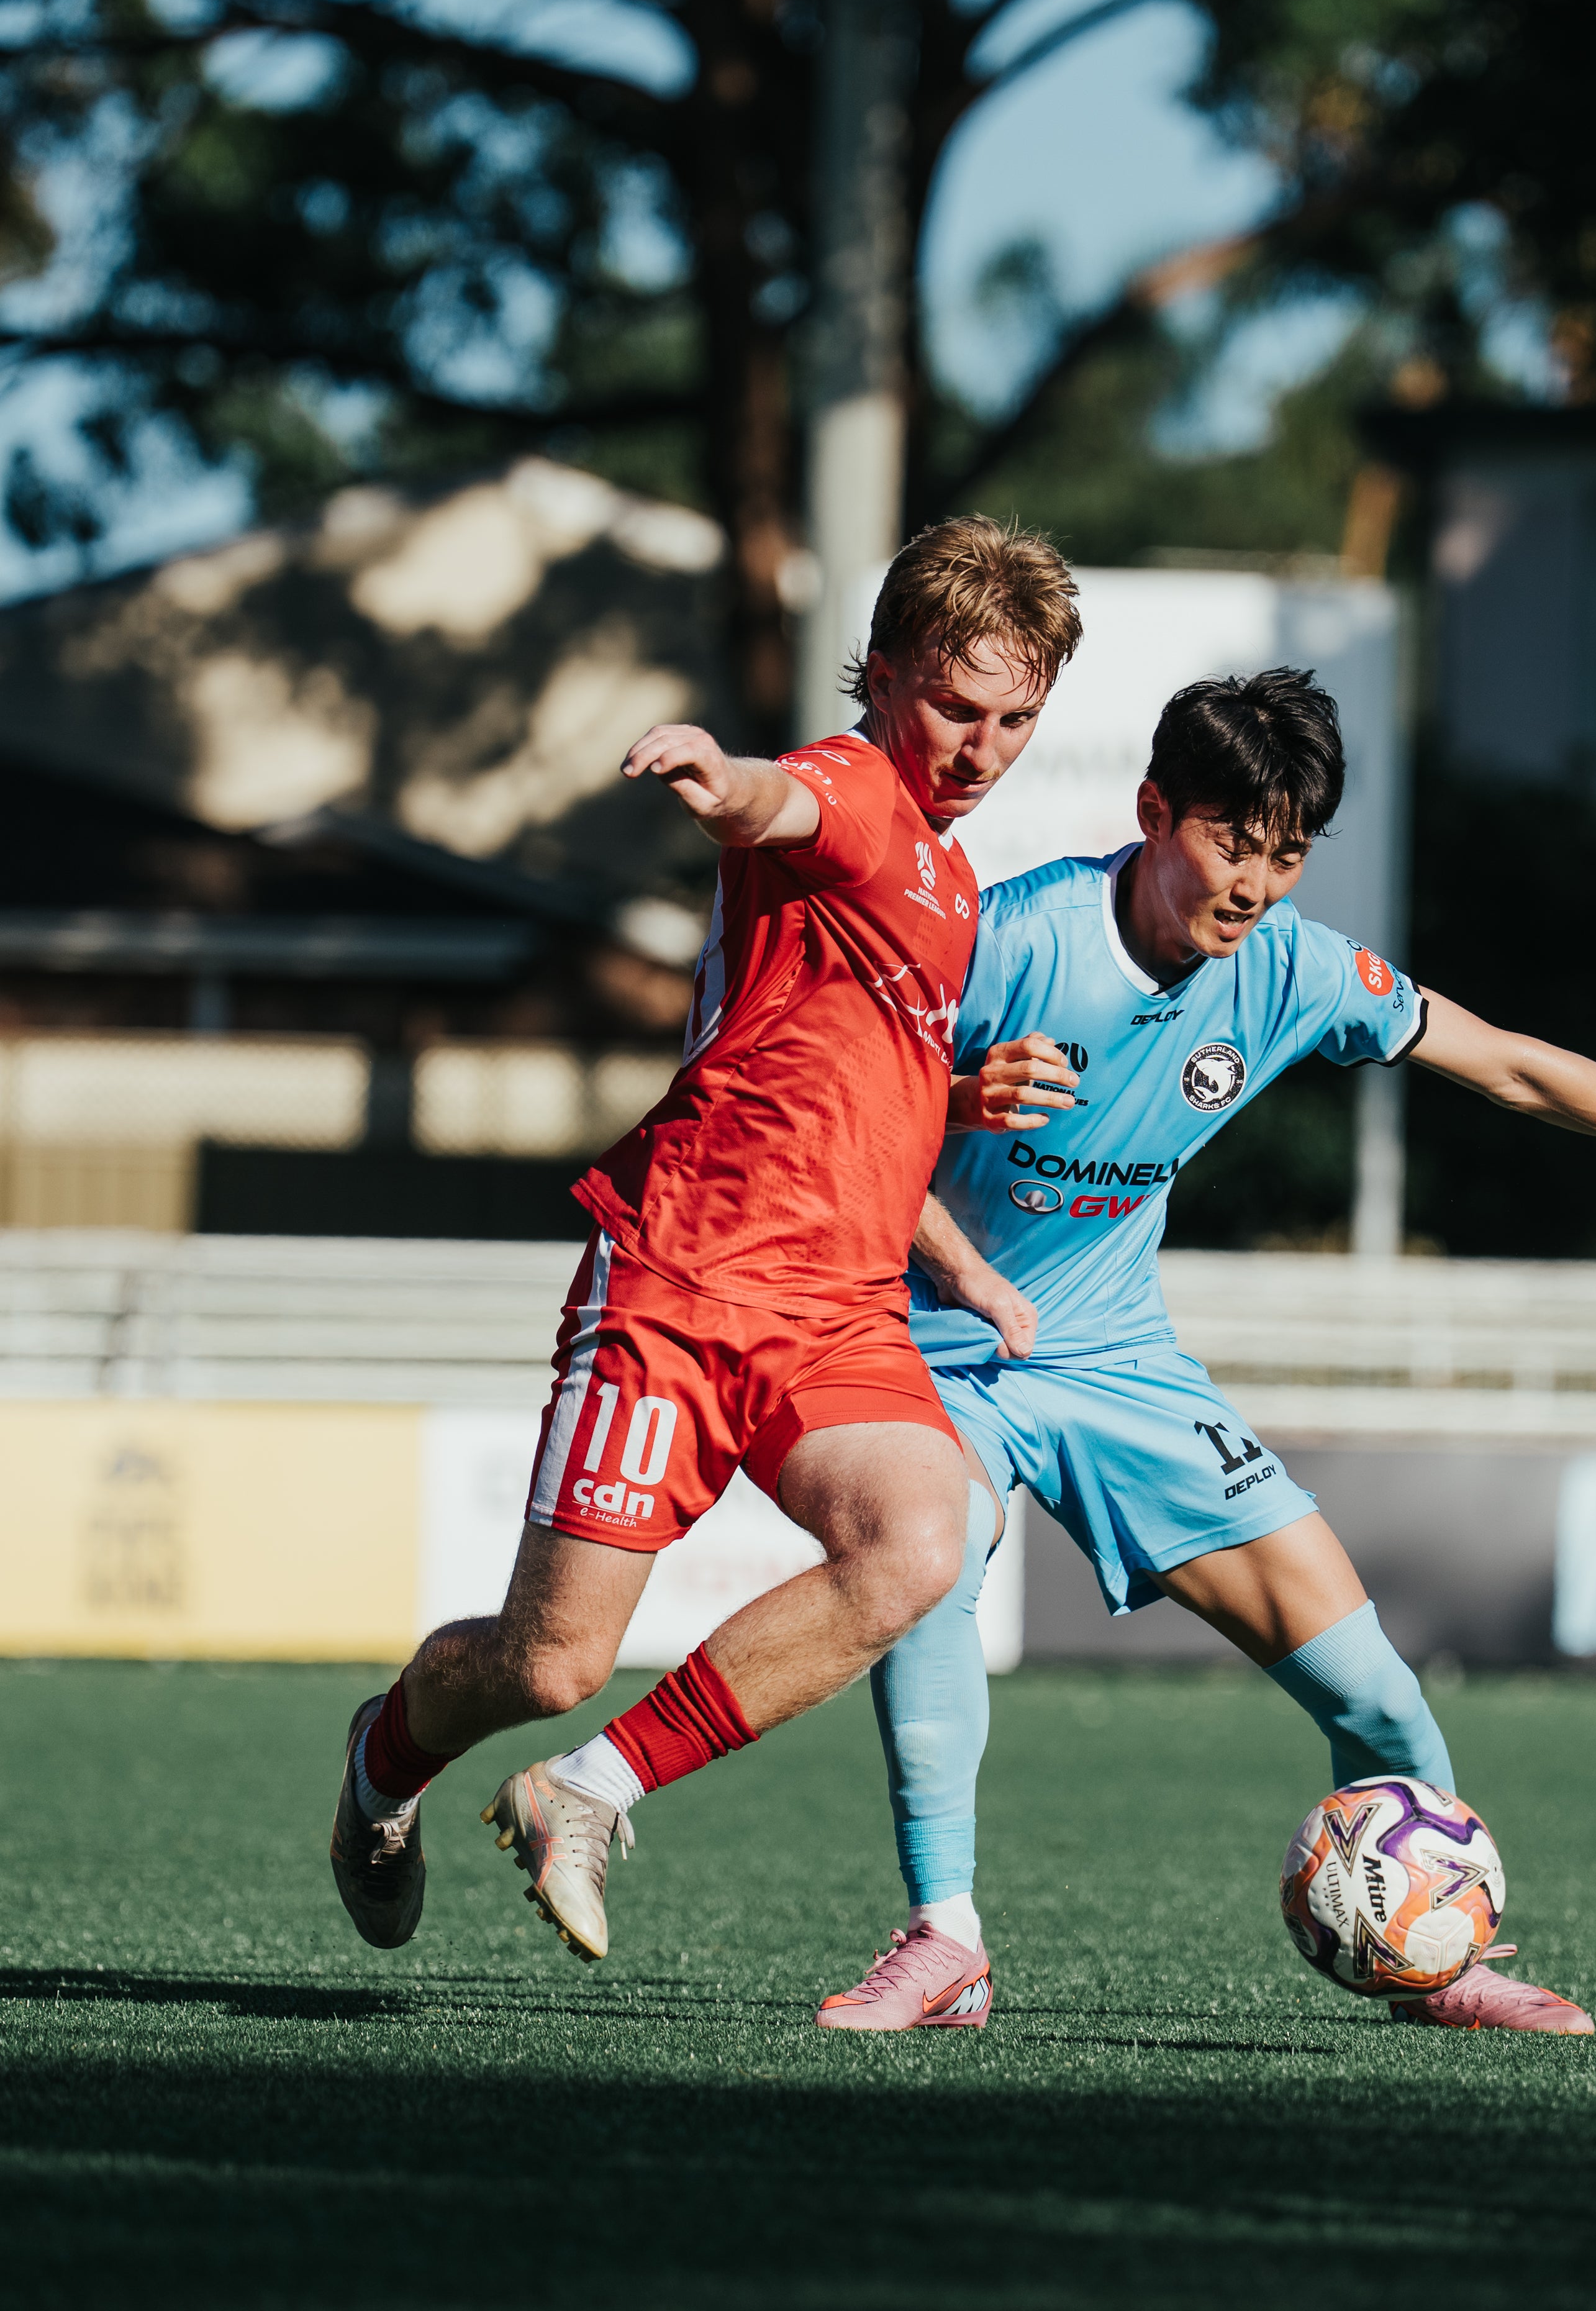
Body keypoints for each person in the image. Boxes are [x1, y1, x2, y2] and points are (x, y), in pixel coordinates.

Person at [812, 668, 1596, 2036]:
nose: (1254, 883)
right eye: (1229, 841)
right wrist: (959, 1169)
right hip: (933, 1343)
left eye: (1287, 851)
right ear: (1152, 812)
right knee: (928, 1560)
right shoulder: (1006, 939)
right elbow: (834, 1116)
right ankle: (947, 1940)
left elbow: (1510, 1062)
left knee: (1368, 1680)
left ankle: (1440, 1953)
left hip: (1118, 1359)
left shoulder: (1298, 971)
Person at [330, 515, 1083, 1963]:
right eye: (954, 707)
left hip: (839, 1309)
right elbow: (777, 805)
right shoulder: (856, 787)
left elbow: (856, 1094)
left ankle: (591, 1791)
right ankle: (386, 1758)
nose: (981, 747)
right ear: (877, 675)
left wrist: (961, 1199)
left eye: (1016, 721)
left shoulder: (955, 879)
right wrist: (714, 774)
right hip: (683, 1278)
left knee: (926, 1537)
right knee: (550, 1659)